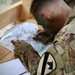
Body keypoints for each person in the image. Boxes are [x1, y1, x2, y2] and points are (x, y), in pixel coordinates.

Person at [11, 0, 75, 75]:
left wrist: (27, 51)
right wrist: (54, 29)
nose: (42, 27)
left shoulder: (65, 39)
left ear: (47, 18)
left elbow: (40, 73)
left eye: (41, 24)